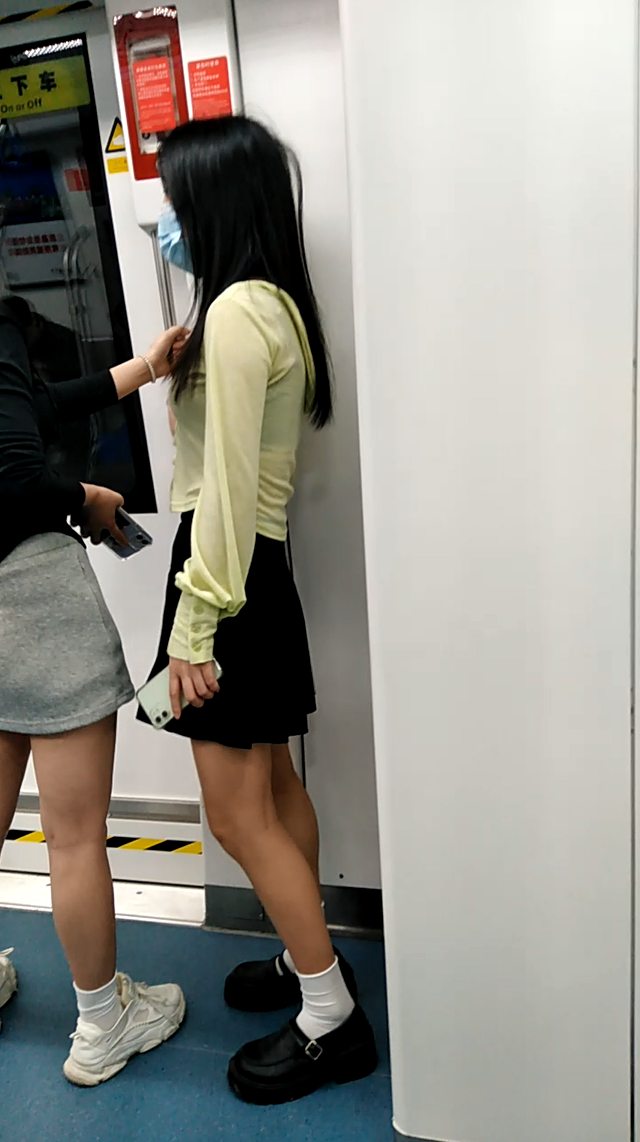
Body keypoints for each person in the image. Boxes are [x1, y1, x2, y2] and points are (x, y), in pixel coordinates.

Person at [141, 115, 378, 1105]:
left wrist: (193, 629)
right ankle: (304, 949)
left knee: (237, 816)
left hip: (224, 575)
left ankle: (330, 1015)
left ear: (214, 203)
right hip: (255, 573)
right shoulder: (273, 305)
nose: (168, 219)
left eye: (176, 199)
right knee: (273, 787)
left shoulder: (239, 311)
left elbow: (226, 493)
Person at [0, 300, 188, 1085]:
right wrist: (84, 497)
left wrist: (143, 368)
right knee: (74, 837)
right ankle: (104, 1023)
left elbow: (36, 405)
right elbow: (16, 480)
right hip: (34, 599)